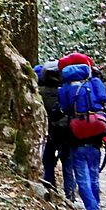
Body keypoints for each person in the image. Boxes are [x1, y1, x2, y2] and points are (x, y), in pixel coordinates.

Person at [58, 56, 106, 210]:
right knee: (94, 174)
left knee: (82, 177)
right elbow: (104, 100)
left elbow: (64, 108)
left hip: (76, 135)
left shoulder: (64, 87)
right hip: (95, 134)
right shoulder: (94, 82)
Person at [35, 61, 76, 201]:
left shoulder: (38, 92)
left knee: (48, 162)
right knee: (67, 163)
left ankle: (50, 190)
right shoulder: (65, 90)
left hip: (48, 131)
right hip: (65, 131)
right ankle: (70, 196)